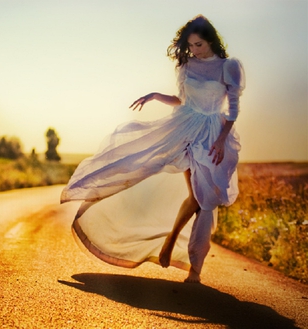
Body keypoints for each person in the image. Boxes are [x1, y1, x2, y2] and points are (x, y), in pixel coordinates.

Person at [61, 15, 245, 283]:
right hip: (183, 130)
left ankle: (183, 254)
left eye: (199, 45)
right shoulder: (186, 66)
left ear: (211, 41)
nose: (194, 50)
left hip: (213, 134)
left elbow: (234, 109)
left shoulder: (229, 66)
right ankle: (182, 255)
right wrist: (156, 96)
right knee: (146, 164)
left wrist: (220, 140)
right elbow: (182, 100)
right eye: (191, 45)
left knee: (204, 200)